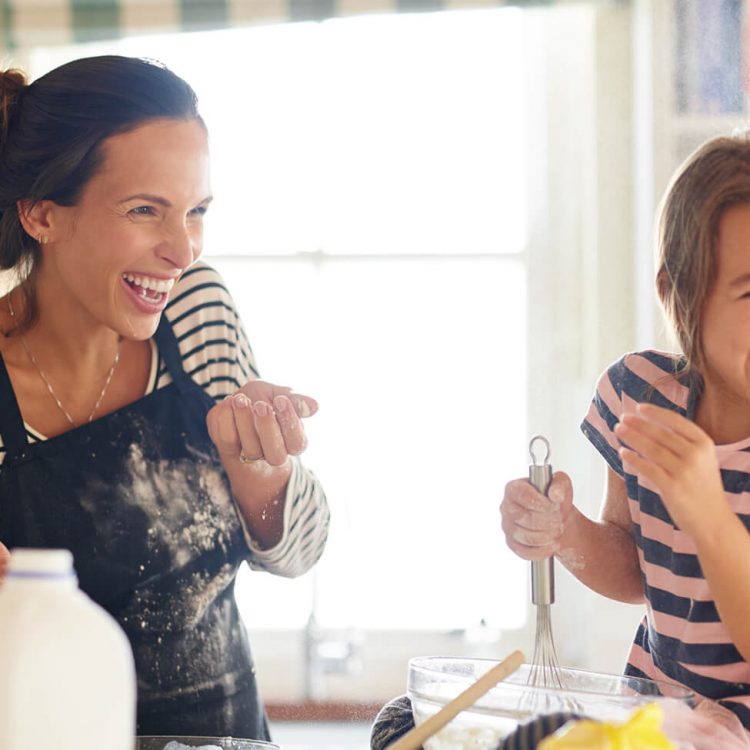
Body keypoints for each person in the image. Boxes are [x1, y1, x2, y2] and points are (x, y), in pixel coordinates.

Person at [0, 55, 329, 740]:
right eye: (145, 210)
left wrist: (263, 475)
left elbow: (300, 553)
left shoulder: (198, 311)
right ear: (41, 215)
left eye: (197, 212)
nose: (182, 250)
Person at [500, 132, 750, 736]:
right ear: (677, 294)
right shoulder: (637, 395)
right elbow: (636, 568)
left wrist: (707, 513)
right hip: (656, 714)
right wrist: (565, 531)